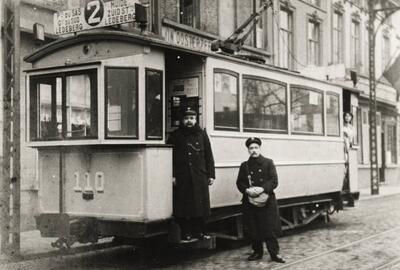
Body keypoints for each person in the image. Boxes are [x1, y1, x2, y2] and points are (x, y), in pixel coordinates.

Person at [167, 107, 215, 242]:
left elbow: (208, 155)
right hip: (183, 177)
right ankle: (186, 233)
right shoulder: (175, 136)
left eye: (192, 118)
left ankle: (201, 232)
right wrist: (172, 175)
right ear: (182, 120)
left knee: (200, 207)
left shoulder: (201, 134)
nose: (189, 121)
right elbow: (169, 158)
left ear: (195, 120)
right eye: (187, 118)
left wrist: (211, 174)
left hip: (200, 176)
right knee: (185, 207)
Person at [236, 137, 285, 263]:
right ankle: (257, 252)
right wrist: (247, 190)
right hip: (250, 201)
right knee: (254, 228)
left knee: (269, 228)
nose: (254, 150)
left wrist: (262, 189)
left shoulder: (268, 162)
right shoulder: (244, 166)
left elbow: (274, 181)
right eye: (251, 148)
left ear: (260, 148)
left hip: (267, 200)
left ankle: (274, 253)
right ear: (248, 150)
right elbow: (240, 182)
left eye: (256, 148)